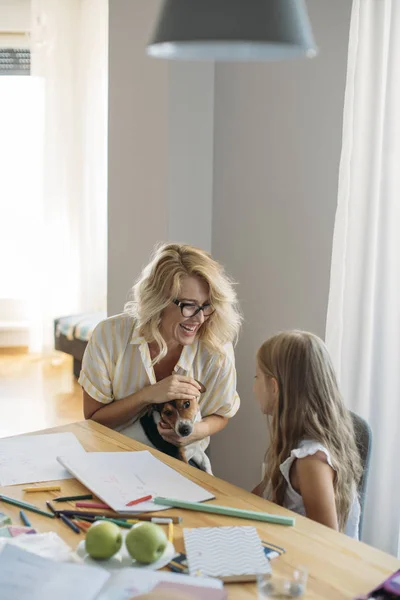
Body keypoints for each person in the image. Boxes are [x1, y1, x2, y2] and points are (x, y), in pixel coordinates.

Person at [79, 243, 242, 460]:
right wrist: (147, 396)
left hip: (184, 464)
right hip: (112, 461)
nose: (200, 318)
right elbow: (93, 420)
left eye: (207, 305)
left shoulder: (216, 347)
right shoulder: (109, 336)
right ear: (159, 301)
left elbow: (221, 414)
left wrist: (194, 432)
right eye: (189, 305)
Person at [252, 330, 362, 538]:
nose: (254, 386)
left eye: (257, 377)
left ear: (274, 387)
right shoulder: (293, 444)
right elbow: (258, 496)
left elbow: (326, 544)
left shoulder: (311, 462)